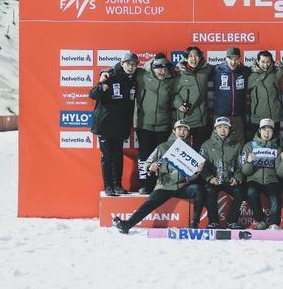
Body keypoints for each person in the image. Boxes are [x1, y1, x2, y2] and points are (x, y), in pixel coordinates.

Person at [112, 119, 205, 233]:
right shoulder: (162, 147)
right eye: (179, 129)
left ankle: (194, 223)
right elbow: (146, 164)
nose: (182, 132)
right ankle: (127, 225)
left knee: (198, 189)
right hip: (164, 186)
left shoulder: (191, 151)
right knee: (148, 204)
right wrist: (150, 167)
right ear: (174, 131)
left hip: (182, 186)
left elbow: (191, 177)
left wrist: (196, 172)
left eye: (185, 130)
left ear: (188, 133)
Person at [89, 51, 138, 196]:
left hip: (120, 125)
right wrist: (101, 86)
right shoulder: (110, 75)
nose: (131, 67)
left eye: (134, 64)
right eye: (128, 64)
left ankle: (117, 184)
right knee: (107, 156)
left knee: (118, 155)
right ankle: (108, 186)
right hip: (105, 124)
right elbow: (93, 94)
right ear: (122, 64)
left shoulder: (133, 79)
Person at [134, 53, 175, 194]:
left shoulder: (171, 79)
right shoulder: (142, 75)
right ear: (153, 67)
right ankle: (144, 185)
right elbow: (124, 69)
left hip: (163, 125)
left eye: (165, 69)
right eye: (159, 68)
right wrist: (106, 72)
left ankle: (159, 184)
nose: (162, 72)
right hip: (144, 124)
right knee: (144, 155)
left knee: (161, 156)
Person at [241, 117, 283, 229]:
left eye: (270, 130)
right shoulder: (249, 146)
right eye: (264, 130)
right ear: (259, 130)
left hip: (271, 180)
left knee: (275, 196)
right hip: (253, 179)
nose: (267, 133)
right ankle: (260, 220)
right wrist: (249, 161)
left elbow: (281, 174)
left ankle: (274, 224)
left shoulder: (277, 148)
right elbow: (245, 172)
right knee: (251, 193)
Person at [200, 116, 245, 229]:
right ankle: (213, 222)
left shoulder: (237, 145)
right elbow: (202, 167)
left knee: (240, 193)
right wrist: (210, 178)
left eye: (226, 127)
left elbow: (241, 164)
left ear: (230, 129)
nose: (223, 130)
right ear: (215, 130)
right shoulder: (206, 145)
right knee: (210, 192)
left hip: (229, 180)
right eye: (219, 127)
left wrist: (236, 178)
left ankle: (232, 221)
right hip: (214, 180)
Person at [247, 39, 283, 140]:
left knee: (275, 144)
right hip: (257, 118)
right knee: (257, 145)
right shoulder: (250, 75)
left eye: (268, 62)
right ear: (257, 61)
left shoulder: (275, 74)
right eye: (263, 62)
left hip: (274, 117)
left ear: (271, 62)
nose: (266, 65)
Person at [173, 46, 213, 149]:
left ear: (200, 58)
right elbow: (173, 94)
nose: (193, 59)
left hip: (202, 119)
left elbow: (221, 68)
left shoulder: (206, 69)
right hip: (186, 120)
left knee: (199, 150)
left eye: (196, 56)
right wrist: (179, 104)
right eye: (190, 56)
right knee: (184, 151)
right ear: (186, 58)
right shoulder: (179, 72)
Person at [212, 46, 250, 145]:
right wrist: (182, 64)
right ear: (226, 58)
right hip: (221, 114)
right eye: (230, 59)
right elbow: (200, 69)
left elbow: (258, 70)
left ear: (239, 59)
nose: (233, 62)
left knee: (239, 143)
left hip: (238, 115)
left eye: (236, 59)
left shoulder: (245, 71)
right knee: (219, 143)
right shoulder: (217, 70)